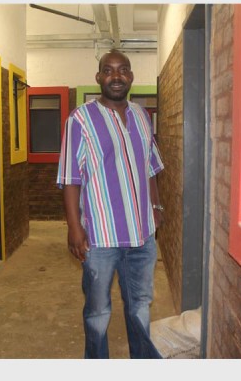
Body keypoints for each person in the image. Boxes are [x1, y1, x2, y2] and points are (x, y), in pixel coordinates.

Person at [56, 49, 165, 359]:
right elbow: (70, 177)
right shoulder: (80, 119)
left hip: (142, 235)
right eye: (108, 70)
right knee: (98, 312)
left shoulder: (142, 116)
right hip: (100, 237)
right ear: (98, 77)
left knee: (140, 306)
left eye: (122, 70)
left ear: (131, 76)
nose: (116, 76)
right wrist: (74, 228)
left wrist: (156, 207)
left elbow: (150, 167)